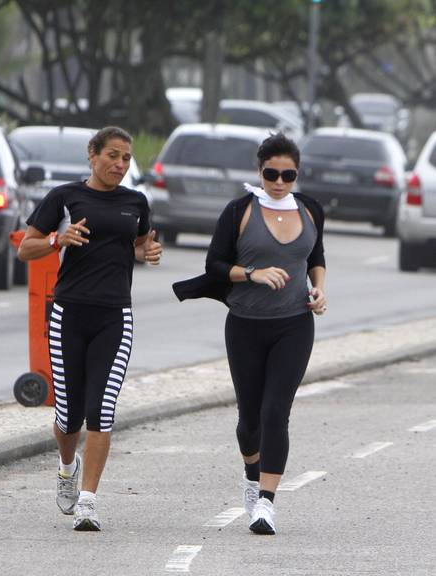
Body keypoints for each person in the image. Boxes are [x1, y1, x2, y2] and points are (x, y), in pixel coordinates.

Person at [173, 132, 326, 535]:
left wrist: (319, 289)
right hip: (245, 325)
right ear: (259, 171)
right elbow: (214, 265)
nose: (279, 181)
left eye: (288, 174)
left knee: (277, 412)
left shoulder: (309, 209)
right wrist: (253, 274)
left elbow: (316, 256)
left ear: (297, 174)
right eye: (271, 173)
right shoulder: (240, 210)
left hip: (294, 324)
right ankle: (251, 474)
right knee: (250, 420)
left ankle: (266, 504)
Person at [18, 126, 162, 531]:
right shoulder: (64, 198)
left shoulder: (136, 202)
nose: (119, 164)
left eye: (126, 158)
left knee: (102, 410)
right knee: (69, 416)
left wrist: (147, 250)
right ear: (92, 154)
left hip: (115, 316)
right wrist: (57, 241)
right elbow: (25, 248)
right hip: (69, 315)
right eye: (112, 155)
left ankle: (88, 501)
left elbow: (134, 244)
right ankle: (67, 468)